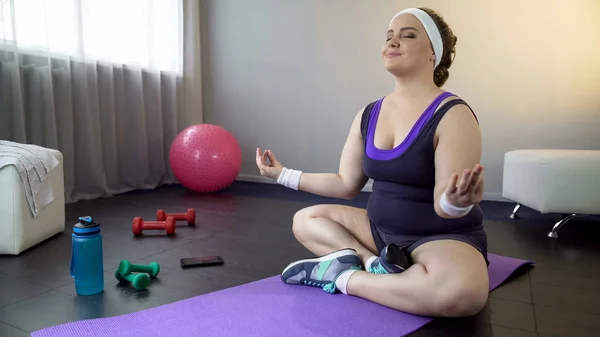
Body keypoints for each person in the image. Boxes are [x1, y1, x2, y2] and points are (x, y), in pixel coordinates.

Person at [255, 7, 488, 318]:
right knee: (305, 220)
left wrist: (457, 202)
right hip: (378, 234)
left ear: (434, 52)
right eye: (389, 37)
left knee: (461, 295)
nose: (392, 42)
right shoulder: (369, 113)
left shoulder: (453, 114)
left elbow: (443, 207)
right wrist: (283, 175)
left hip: (437, 237)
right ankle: (371, 264)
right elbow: (346, 183)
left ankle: (344, 277)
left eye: (407, 35)